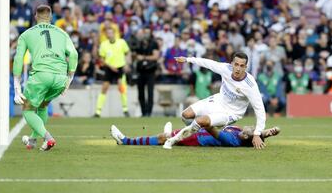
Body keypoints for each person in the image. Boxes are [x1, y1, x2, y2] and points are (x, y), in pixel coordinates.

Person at [163, 52, 267, 150]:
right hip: (217, 101)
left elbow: (260, 109)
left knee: (201, 121)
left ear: (245, 67)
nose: (238, 68)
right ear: (232, 64)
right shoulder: (225, 68)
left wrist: (257, 133)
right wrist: (187, 59)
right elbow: (208, 63)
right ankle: (195, 131)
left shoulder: (250, 85)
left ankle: (172, 140)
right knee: (186, 115)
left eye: (241, 66)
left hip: (230, 113)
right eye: (236, 64)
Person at [13, 5, 78, 151]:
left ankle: (48, 138)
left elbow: (18, 59)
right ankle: (32, 141)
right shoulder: (62, 33)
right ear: (50, 17)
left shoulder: (26, 34)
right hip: (60, 78)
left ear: (35, 16)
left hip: (41, 76)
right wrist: (70, 78)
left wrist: (17, 85)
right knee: (42, 106)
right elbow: (73, 54)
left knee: (28, 110)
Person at [110, 122, 280, 147]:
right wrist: (269, 132)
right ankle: (168, 133)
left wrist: (206, 120)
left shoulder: (233, 139)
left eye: (251, 131)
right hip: (199, 132)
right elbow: (258, 134)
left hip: (196, 138)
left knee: (164, 137)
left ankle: (125, 141)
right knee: (167, 134)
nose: (251, 128)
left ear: (246, 137)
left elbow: (213, 129)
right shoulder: (239, 130)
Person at [94, 27, 131, 117]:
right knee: (104, 88)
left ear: (114, 34)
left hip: (120, 67)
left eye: (111, 33)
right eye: (108, 33)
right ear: (106, 35)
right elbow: (101, 59)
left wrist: (127, 64)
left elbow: (128, 53)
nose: (109, 34)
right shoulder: (104, 44)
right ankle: (98, 111)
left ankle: (125, 109)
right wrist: (110, 66)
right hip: (109, 68)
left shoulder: (121, 42)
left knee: (122, 88)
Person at [135, 28, 160, 117]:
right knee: (140, 93)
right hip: (141, 71)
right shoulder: (140, 44)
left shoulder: (153, 43)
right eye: (144, 32)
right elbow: (136, 56)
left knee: (150, 92)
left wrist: (144, 57)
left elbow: (156, 56)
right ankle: (143, 112)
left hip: (150, 71)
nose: (145, 34)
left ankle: (149, 112)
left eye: (147, 32)